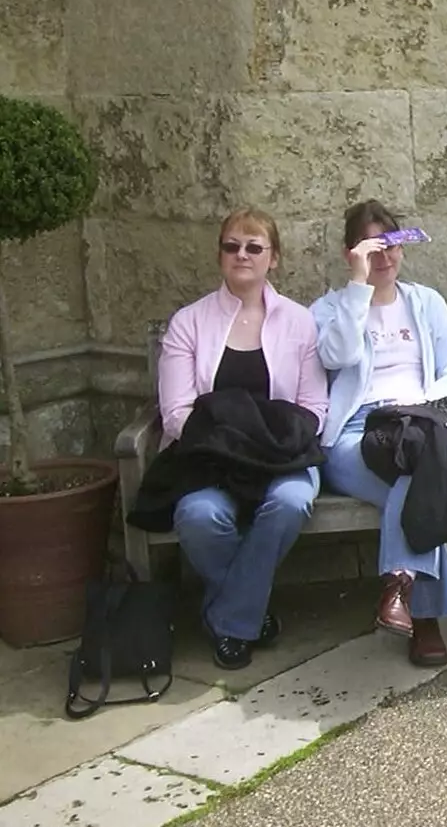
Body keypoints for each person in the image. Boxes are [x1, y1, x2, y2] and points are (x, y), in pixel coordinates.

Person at [155, 209, 327, 670]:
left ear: (274, 259)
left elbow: (314, 407)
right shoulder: (188, 322)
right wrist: (233, 443)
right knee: (198, 515)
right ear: (220, 255)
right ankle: (250, 614)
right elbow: (176, 414)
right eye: (232, 246)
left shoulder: (298, 322)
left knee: (291, 502)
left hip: (282, 457)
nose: (242, 255)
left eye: (254, 247)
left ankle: (229, 618)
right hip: (210, 459)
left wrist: (272, 445)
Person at [310, 201, 447, 668]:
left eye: (392, 245)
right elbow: (333, 357)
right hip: (356, 435)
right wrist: (358, 288)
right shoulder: (329, 309)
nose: (384, 258)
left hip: (419, 427)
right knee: (425, 483)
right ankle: (426, 620)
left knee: (416, 477)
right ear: (351, 254)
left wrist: (424, 408)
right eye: (372, 248)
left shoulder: (426, 303)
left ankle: (399, 588)